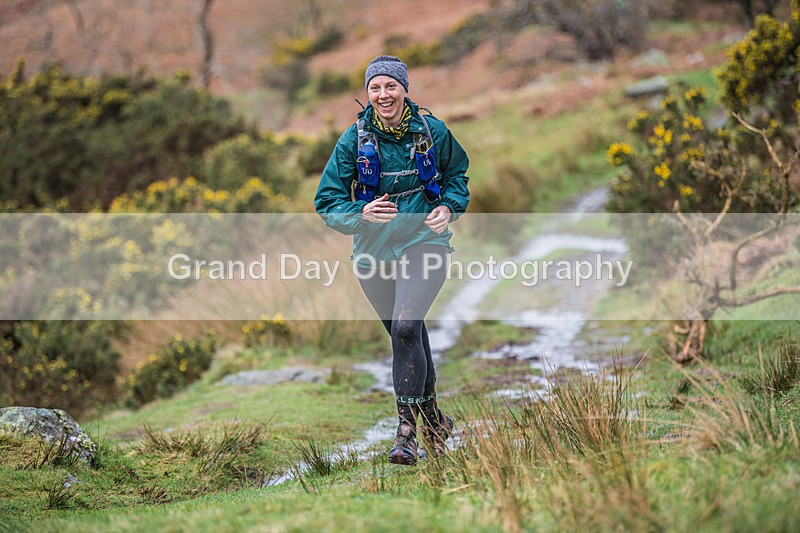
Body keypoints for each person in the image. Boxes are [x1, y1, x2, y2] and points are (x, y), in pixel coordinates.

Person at [314, 55, 470, 465]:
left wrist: (449, 208)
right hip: (372, 253)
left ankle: (406, 433)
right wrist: (359, 214)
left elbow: (457, 177)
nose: (383, 95)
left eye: (390, 86)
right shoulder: (352, 140)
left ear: (404, 89)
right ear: (368, 94)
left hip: (425, 243)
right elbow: (326, 202)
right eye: (375, 88)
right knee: (408, 335)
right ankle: (435, 418)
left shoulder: (432, 131)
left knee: (404, 328)